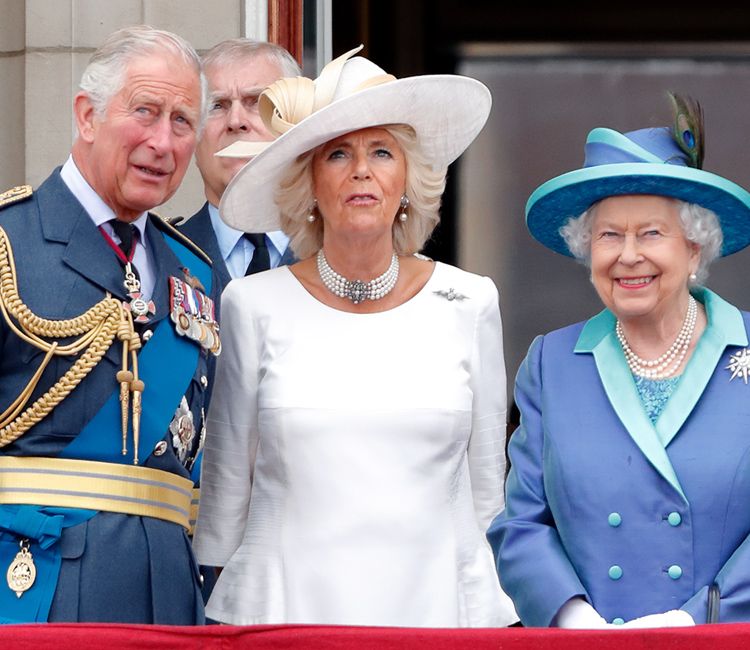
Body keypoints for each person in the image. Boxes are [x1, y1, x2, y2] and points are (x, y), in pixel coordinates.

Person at [192, 46, 517, 627]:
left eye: (382, 152)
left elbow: (487, 496)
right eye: (338, 153)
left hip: (436, 615)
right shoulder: (251, 303)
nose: (361, 170)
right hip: (283, 618)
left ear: (409, 181)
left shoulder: (471, 302)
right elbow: (224, 498)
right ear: (310, 183)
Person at [488, 95, 750, 627]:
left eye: (651, 233)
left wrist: (696, 620)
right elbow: (521, 524)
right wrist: (571, 617)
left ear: (694, 248)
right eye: (609, 235)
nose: (628, 255)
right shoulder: (551, 364)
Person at [0, 25, 219, 624]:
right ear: (87, 116)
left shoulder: (194, 273)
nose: (163, 141)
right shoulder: (8, 242)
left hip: (168, 596)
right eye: (145, 111)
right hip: (34, 588)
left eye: (182, 122)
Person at [179, 39, 300, 293]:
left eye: (256, 102)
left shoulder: (342, 254)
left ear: (297, 123)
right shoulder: (159, 257)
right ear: (193, 134)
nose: (235, 121)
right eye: (216, 105)